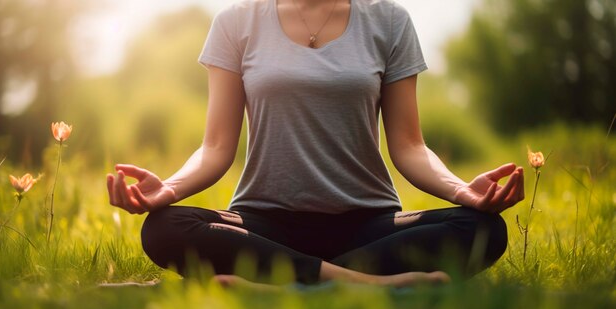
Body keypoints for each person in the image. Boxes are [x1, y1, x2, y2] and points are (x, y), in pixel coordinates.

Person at [107, 0, 524, 288]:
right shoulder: (236, 21)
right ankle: (362, 283)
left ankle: (279, 282)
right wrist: (170, 189)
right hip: (264, 224)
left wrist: (461, 191)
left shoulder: (389, 20)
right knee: (164, 227)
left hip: (368, 226)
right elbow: (216, 147)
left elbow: (409, 146)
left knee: (483, 228)